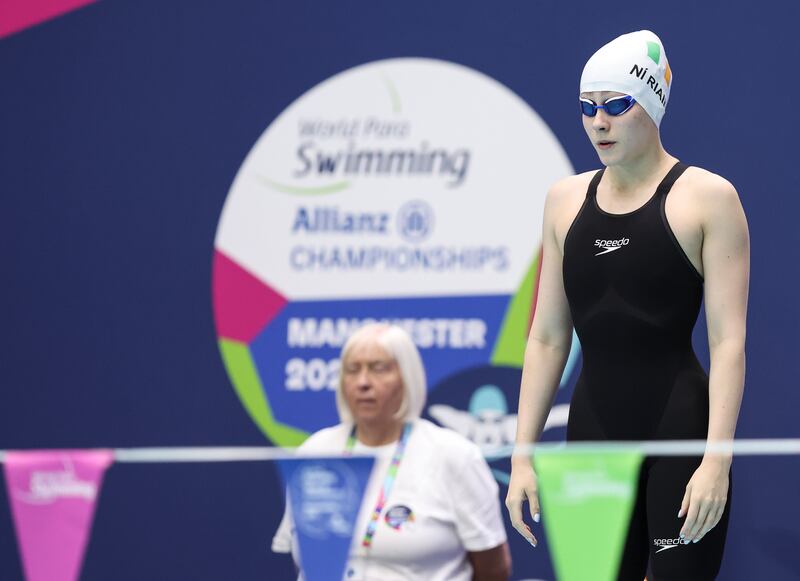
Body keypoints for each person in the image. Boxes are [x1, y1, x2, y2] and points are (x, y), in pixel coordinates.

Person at [505, 30, 749, 580]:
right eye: (588, 108)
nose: (599, 122)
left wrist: (718, 459)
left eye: (616, 105)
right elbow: (547, 337)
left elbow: (727, 341)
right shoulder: (563, 201)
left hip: (682, 435)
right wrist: (522, 454)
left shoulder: (708, 198)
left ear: (653, 107)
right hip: (591, 438)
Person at [273, 323, 511, 581]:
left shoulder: (453, 456)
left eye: (378, 368)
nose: (363, 382)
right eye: (353, 370)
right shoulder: (316, 453)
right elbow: (302, 555)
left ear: (408, 378)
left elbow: (493, 568)